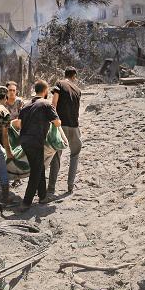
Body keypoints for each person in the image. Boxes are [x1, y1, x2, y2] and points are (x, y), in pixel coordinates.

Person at [18, 80, 62, 210]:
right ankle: (26, 202)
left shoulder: (25, 105)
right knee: (36, 171)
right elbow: (57, 123)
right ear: (45, 90)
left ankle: (42, 196)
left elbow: (20, 124)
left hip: (24, 141)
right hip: (36, 141)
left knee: (39, 166)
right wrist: (57, 121)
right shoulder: (45, 104)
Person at [49, 67, 82, 195]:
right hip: (74, 126)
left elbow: (54, 104)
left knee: (56, 156)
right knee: (75, 154)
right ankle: (70, 186)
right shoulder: (78, 90)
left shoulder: (59, 84)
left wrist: (52, 120)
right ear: (74, 76)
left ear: (65, 74)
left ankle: (51, 188)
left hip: (61, 125)